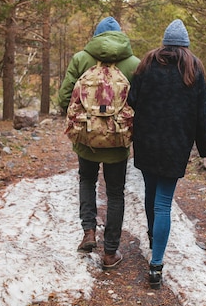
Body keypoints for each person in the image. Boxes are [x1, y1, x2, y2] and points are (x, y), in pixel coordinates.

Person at [127, 19, 206, 289]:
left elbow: (132, 101)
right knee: (163, 203)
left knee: (150, 195)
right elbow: (202, 113)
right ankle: (157, 263)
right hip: (176, 145)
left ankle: (154, 239)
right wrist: (205, 149)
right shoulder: (193, 68)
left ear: (165, 42)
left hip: (147, 141)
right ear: (185, 45)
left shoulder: (146, 64)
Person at [57, 16, 140, 270]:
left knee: (87, 181)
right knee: (115, 193)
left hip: (87, 139)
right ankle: (110, 252)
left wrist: (80, 119)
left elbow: (63, 97)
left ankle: (89, 232)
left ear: (96, 36)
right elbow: (141, 102)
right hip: (118, 140)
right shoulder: (133, 63)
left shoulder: (82, 59)